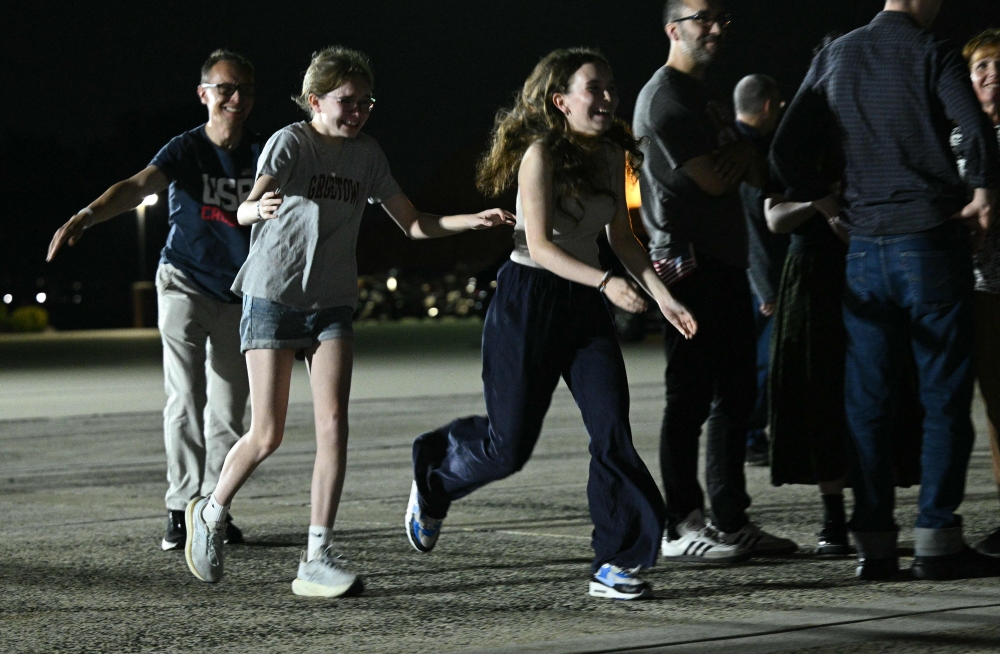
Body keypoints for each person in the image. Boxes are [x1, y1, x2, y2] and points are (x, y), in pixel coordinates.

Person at [179, 46, 513, 597]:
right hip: (273, 295)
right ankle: (211, 511)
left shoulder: (368, 155)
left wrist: (468, 221)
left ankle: (316, 555)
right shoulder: (292, 143)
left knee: (334, 424)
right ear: (315, 100)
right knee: (268, 433)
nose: (358, 111)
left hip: (331, 302)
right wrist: (253, 211)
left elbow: (413, 224)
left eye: (366, 102)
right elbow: (246, 205)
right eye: (347, 101)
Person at [405, 48, 697, 600]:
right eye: (595, 88)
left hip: (582, 307)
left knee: (612, 431)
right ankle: (434, 473)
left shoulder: (613, 155)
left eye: (612, 87)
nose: (608, 97)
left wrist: (662, 298)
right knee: (507, 447)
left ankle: (614, 561)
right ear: (561, 101)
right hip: (529, 300)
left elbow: (623, 241)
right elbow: (538, 245)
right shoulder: (540, 156)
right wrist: (607, 284)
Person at [771, 0, 1000, 581]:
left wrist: (825, 197)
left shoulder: (836, 53)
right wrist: (979, 192)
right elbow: (974, 131)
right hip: (929, 240)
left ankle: (873, 542)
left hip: (865, 250)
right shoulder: (933, 53)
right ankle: (937, 539)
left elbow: (785, 147)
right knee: (943, 397)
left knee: (867, 402)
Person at [47, 49, 260, 551]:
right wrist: (88, 214)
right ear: (204, 94)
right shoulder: (186, 149)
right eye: (226, 88)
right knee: (186, 397)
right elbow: (137, 185)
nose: (235, 98)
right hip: (183, 281)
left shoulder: (262, 150)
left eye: (245, 90)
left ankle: (215, 506)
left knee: (230, 409)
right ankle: (181, 507)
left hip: (237, 291)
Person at [633, 0, 798, 563]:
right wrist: (736, 153)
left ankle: (730, 518)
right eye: (702, 17)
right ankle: (680, 522)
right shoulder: (666, 99)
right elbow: (716, 180)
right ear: (672, 28)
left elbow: (750, 172)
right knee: (689, 397)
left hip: (725, 261)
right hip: (687, 265)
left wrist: (735, 154)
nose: (716, 27)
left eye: (722, 17)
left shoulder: (703, 99)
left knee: (737, 394)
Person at [951, 28, 1000, 557]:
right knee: (995, 406)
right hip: (981, 290)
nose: (992, 76)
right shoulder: (956, 140)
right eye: (982, 66)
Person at [732, 74, 788, 467]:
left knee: (750, 363)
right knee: (762, 365)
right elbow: (752, 225)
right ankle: (749, 437)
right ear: (767, 105)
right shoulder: (747, 151)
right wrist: (766, 287)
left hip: (741, 274)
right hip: (756, 279)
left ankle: (748, 434)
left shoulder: (727, 142)